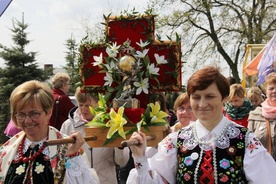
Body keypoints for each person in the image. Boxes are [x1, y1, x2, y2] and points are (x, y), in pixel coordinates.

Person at [126, 66, 276, 184]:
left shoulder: (245, 140)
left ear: (224, 98)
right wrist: (140, 157)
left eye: (210, 96)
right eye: (196, 97)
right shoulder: (177, 141)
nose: (202, 104)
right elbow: (156, 181)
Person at [0, 80, 99, 184]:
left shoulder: (68, 147)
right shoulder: (7, 150)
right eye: (21, 114)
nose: (27, 121)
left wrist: (72, 156)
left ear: (49, 112)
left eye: (34, 114)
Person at [60, 87, 130, 184]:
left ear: (99, 104)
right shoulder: (68, 125)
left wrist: (119, 147)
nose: (83, 109)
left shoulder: (111, 124)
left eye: (88, 106)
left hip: (105, 181)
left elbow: (122, 162)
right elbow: (60, 158)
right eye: (81, 105)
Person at [248, 72, 276, 161]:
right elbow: (248, 145)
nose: (274, 91)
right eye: (271, 88)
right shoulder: (255, 115)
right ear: (266, 91)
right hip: (263, 169)